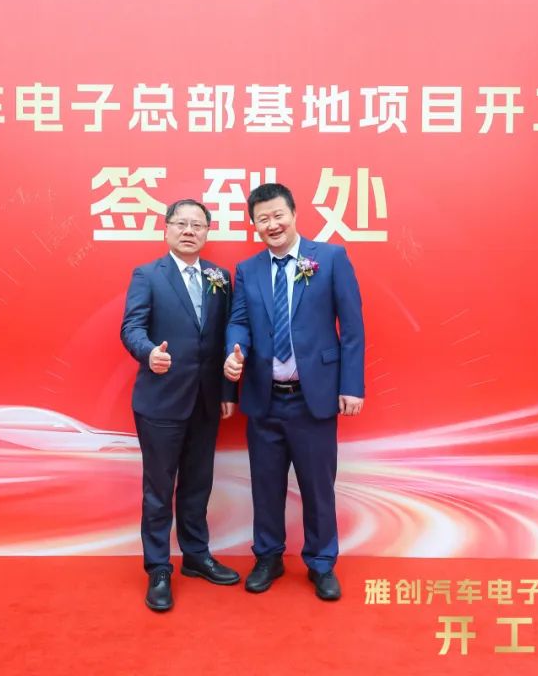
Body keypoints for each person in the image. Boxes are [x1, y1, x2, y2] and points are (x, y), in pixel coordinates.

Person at [223, 183, 364, 601]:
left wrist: (351, 386)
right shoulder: (247, 269)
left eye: (277, 215)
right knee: (265, 485)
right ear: (254, 225)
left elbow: (352, 328)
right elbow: (239, 321)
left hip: (312, 397)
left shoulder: (331, 258)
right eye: (262, 219)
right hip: (264, 398)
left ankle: (321, 563)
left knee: (318, 488)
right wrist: (234, 352)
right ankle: (268, 557)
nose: (272, 224)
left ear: (294, 213)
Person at [121, 198, 240, 612]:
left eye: (197, 225)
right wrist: (149, 352)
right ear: (167, 228)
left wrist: (227, 393)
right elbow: (132, 327)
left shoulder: (220, 277)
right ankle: (158, 568)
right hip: (161, 401)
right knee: (158, 490)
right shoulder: (148, 275)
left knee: (197, 484)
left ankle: (196, 556)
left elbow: (226, 338)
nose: (189, 231)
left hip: (206, 401)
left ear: (207, 232)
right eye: (181, 224)